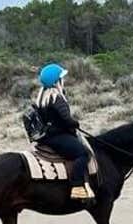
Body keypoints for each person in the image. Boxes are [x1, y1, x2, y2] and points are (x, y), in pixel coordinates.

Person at [35, 63, 93, 201]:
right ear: (57, 81)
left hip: (46, 136)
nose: (63, 80)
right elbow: (67, 120)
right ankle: (77, 186)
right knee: (83, 154)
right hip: (57, 136)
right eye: (61, 78)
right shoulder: (57, 98)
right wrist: (75, 124)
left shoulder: (42, 97)